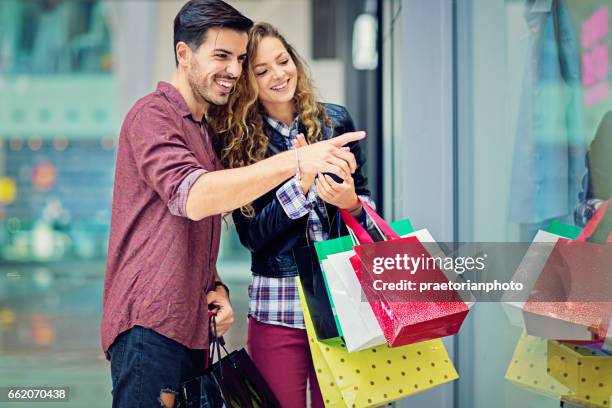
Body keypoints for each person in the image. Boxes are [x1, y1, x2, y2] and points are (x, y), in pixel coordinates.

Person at [100, 2, 365, 407]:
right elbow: (193, 196)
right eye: (222, 56)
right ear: (184, 54)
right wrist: (296, 163)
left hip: (191, 326)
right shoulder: (152, 116)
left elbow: (188, 229)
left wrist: (215, 284)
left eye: (240, 59)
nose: (234, 70)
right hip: (149, 326)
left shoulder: (204, 131)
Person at [210, 22, 374, 407]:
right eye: (262, 71)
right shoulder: (239, 142)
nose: (277, 75)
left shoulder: (335, 121)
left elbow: (364, 203)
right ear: (247, 82)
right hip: (278, 304)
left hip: (342, 300)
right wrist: (298, 185)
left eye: (282, 61)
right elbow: (251, 235)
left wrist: (350, 201)